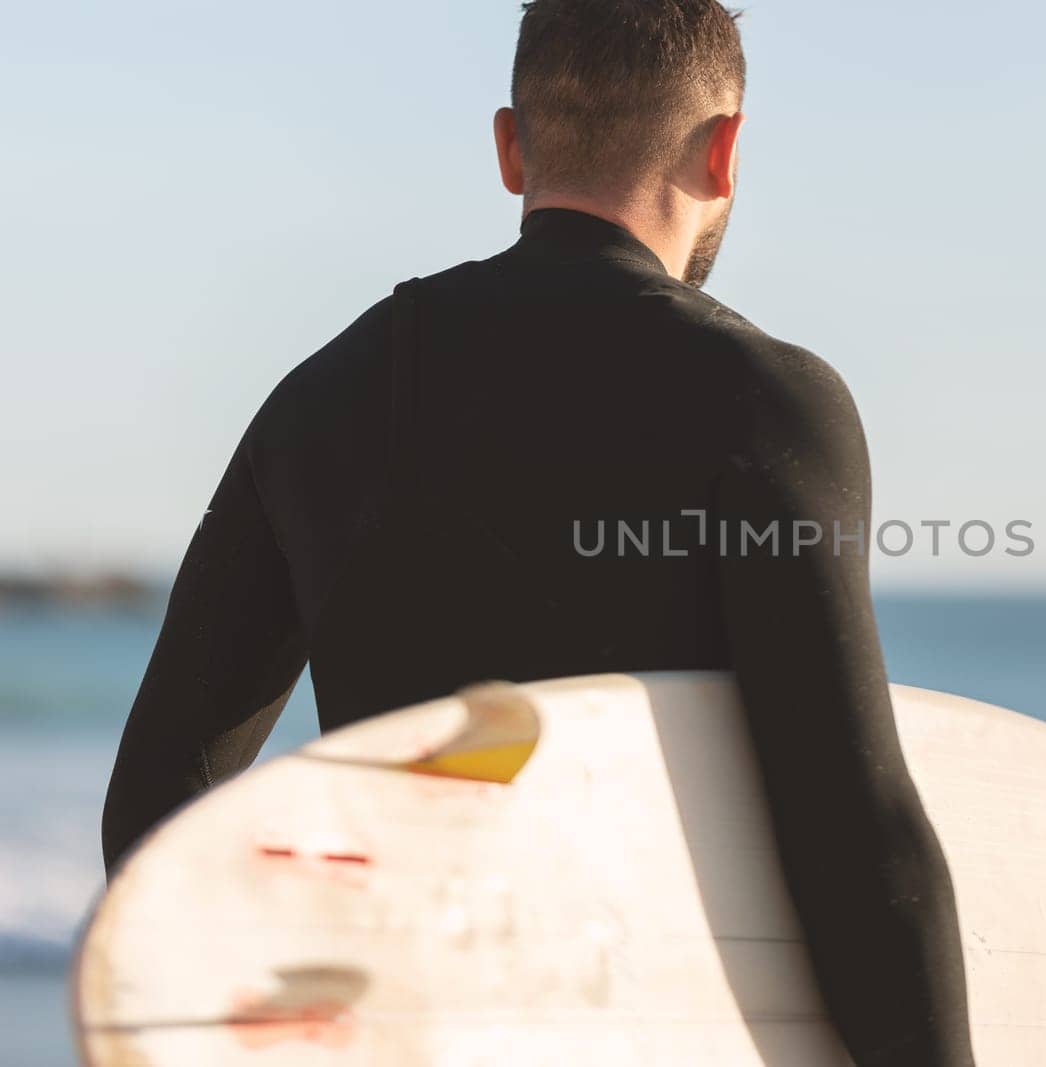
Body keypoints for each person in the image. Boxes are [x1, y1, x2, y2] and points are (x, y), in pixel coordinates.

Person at [102, 1, 975, 1062]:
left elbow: (159, 800)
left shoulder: (322, 398)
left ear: (511, 147)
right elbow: (851, 841)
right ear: (725, 149)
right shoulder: (765, 403)